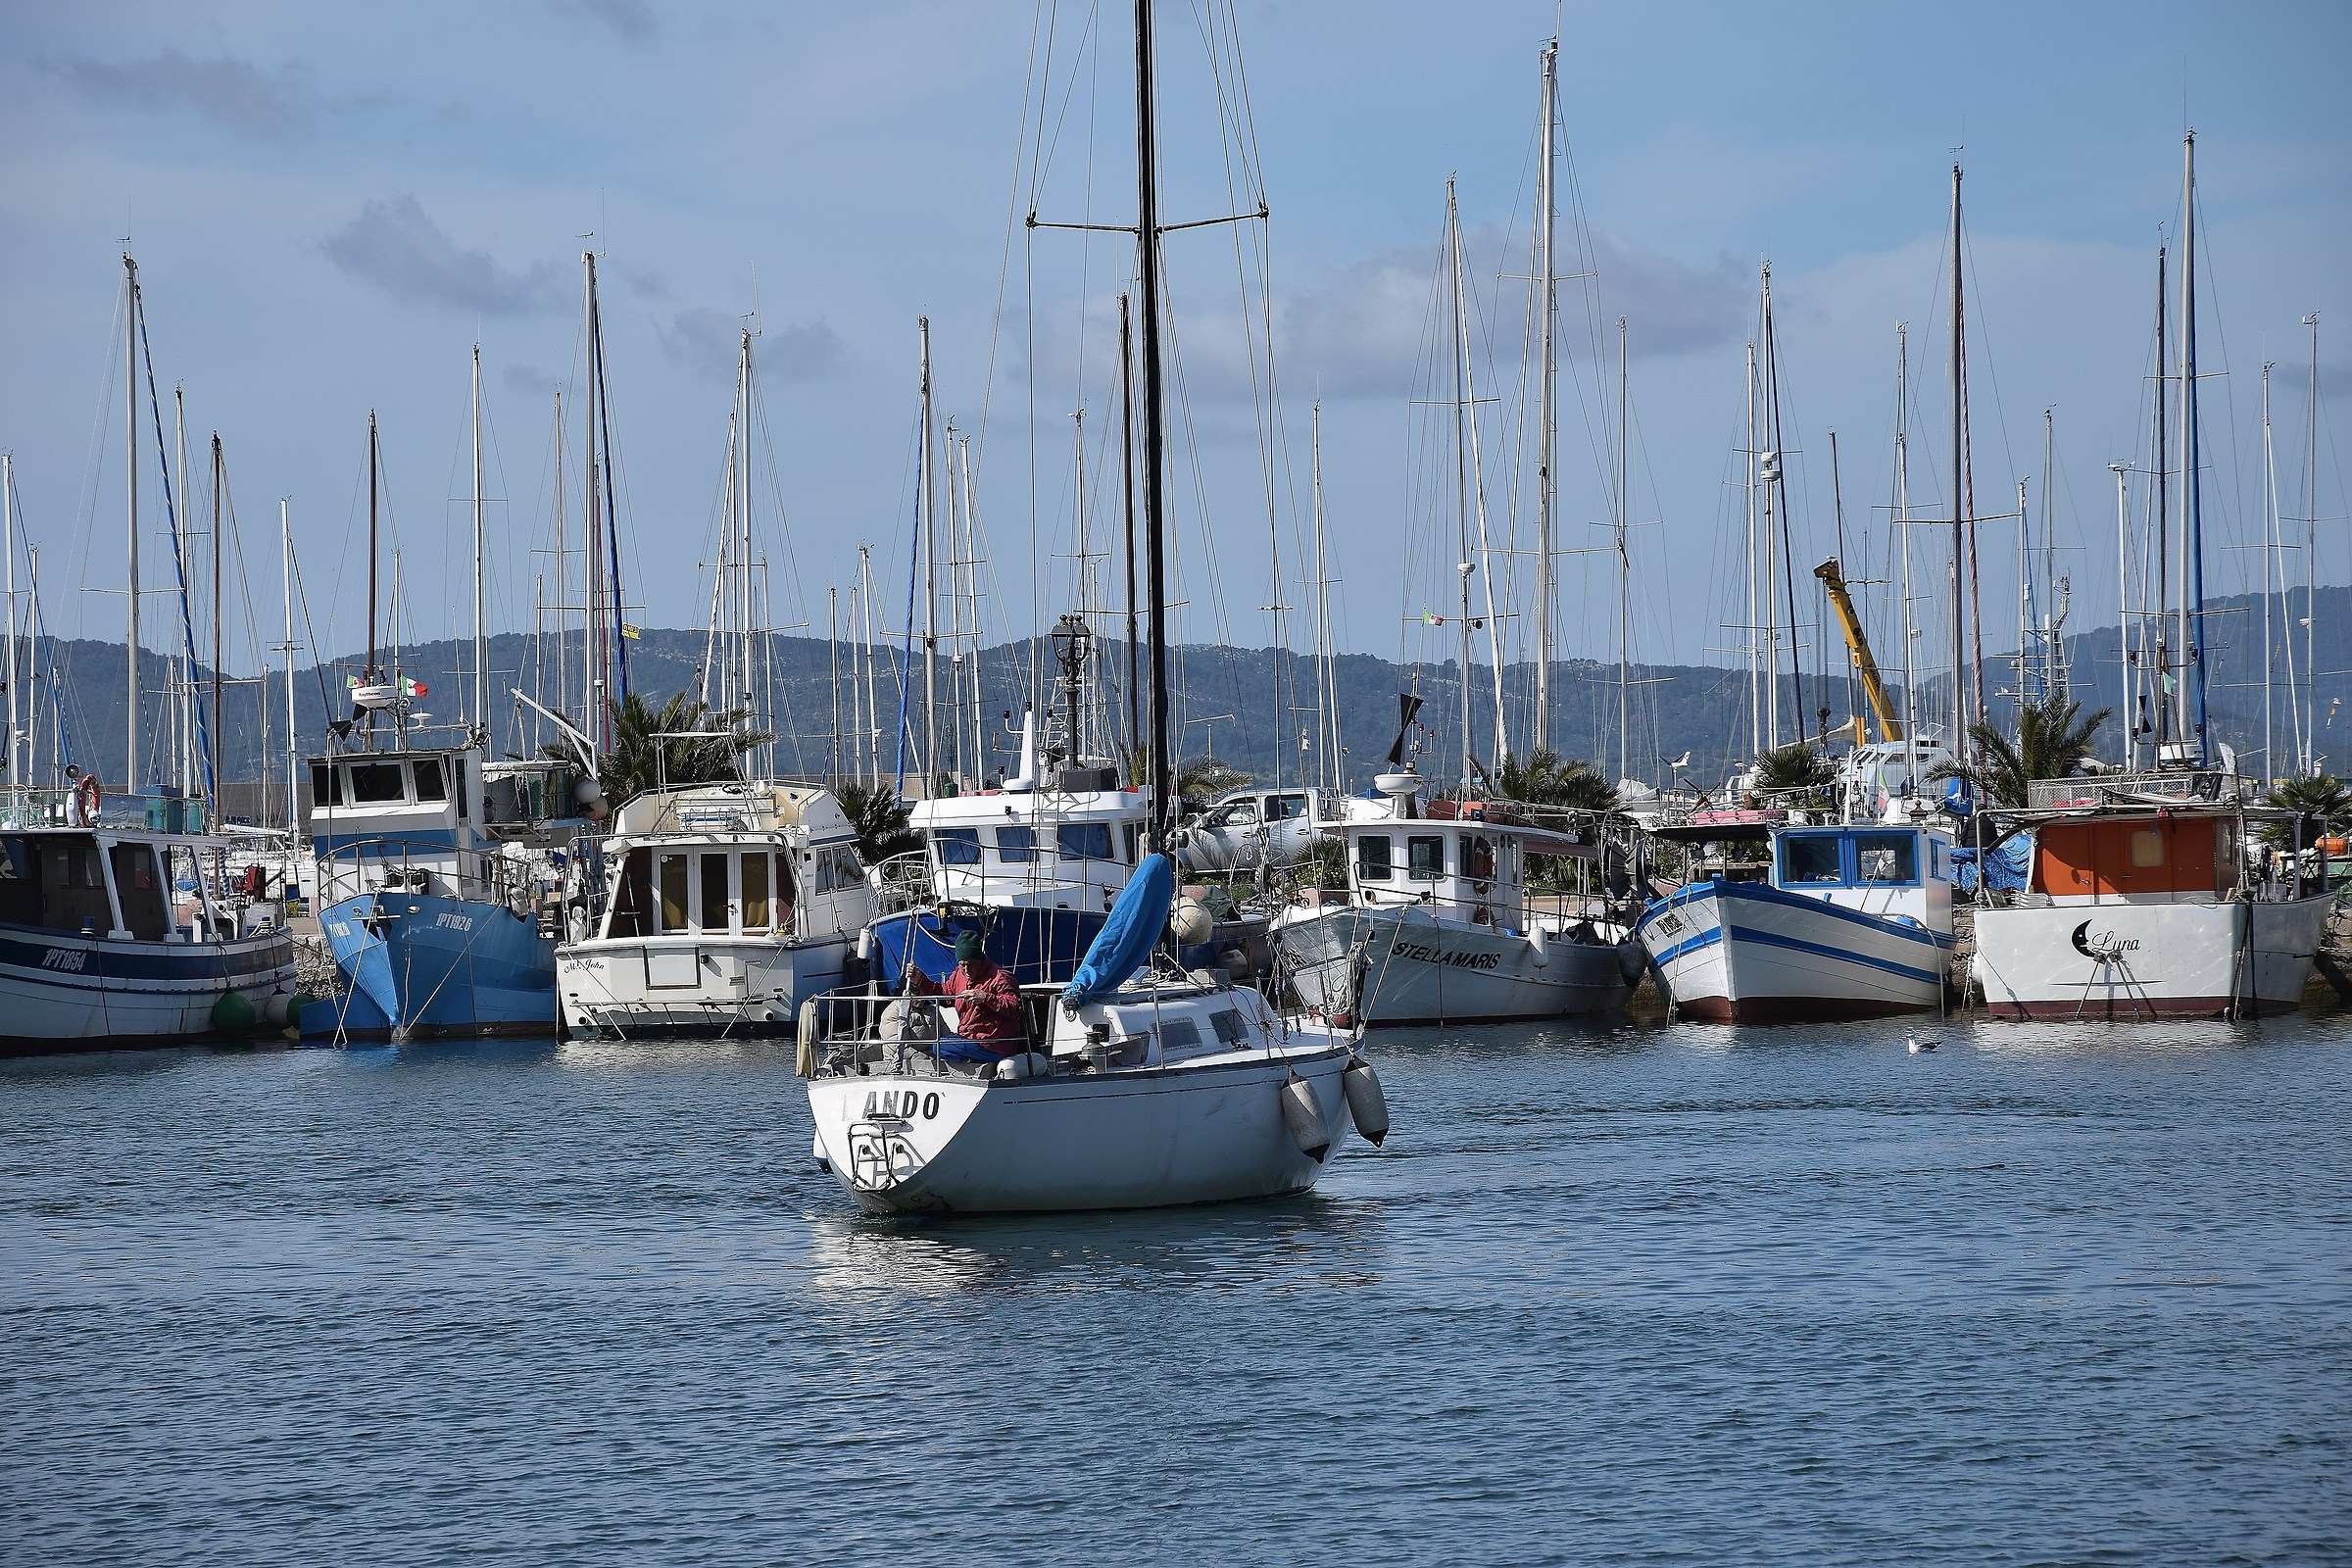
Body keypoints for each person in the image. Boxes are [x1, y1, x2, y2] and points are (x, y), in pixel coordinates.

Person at [905, 931, 1025, 1063]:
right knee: (939, 1045)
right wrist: (920, 980)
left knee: (939, 1045)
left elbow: (1016, 1009)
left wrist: (986, 998)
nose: (966, 970)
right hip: (970, 1040)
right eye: (962, 964)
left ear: (980, 959)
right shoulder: (958, 975)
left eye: (971, 964)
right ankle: (969, 1063)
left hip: (993, 1045)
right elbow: (945, 994)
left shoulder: (1000, 977)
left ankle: (969, 1064)